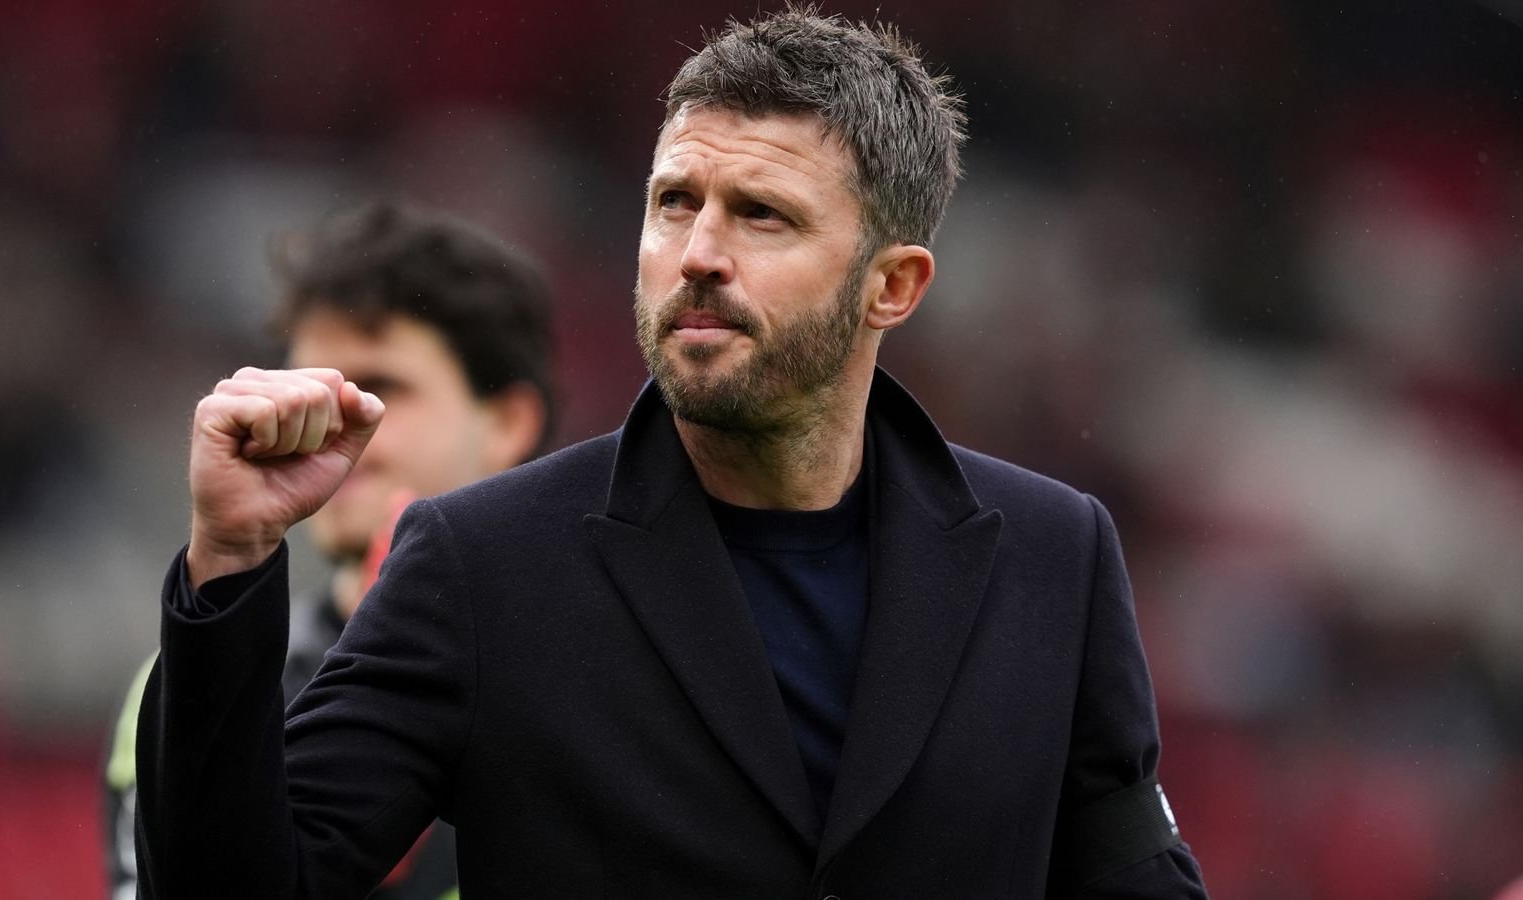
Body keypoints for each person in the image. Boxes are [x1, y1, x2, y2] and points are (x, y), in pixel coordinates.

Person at [135, 10, 1208, 897]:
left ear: (892, 285)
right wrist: (229, 559)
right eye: (674, 203)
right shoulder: (484, 565)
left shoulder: (1051, 558)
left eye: (761, 216)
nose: (697, 254)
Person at [107, 200, 555, 899]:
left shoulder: (602, 670)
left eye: (381, 386)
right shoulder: (183, 684)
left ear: (506, 423)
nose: (329, 424)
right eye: (306, 390)